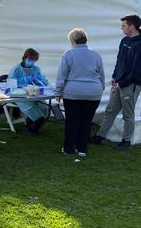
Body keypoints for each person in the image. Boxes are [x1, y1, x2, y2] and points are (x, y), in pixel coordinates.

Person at [91, 14, 141, 150]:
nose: (122, 28)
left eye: (124, 26)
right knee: (110, 110)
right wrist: (115, 76)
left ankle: (126, 142)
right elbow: (119, 61)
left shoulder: (139, 44)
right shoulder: (124, 40)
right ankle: (100, 137)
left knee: (128, 114)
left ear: (132, 26)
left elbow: (137, 70)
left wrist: (123, 83)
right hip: (118, 82)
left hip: (130, 85)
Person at [55, 28, 105, 157]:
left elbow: (62, 76)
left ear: (72, 40)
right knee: (86, 121)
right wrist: (100, 88)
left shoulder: (68, 54)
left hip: (73, 93)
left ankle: (68, 148)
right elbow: (102, 75)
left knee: (72, 121)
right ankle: (82, 148)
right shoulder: (96, 55)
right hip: (93, 92)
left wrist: (58, 91)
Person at [8, 48, 49, 134]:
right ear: (24, 58)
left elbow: (43, 82)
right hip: (20, 94)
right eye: (30, 59)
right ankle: (32, 128)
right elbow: (12, 82)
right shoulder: (16, 69)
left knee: (45, 106)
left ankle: (34, 125)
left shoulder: (36, 69)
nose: (32, 62)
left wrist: (41, 80)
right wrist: (26, 79)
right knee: (30, 107)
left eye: (34, 60)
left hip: (34, 93)